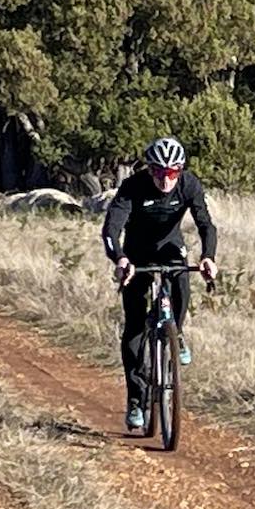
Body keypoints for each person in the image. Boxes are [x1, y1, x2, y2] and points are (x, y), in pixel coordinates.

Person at [101, 135, 217, 434]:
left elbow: (205, 223)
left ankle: (175, 332)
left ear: (180, 171)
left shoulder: (189, 184)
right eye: (159, 173)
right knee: (136, 328)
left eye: (172, 173)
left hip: (169, 245)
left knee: (181, 281)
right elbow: (111, 228)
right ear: (149, 169)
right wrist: (120, 258)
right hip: (136, 251)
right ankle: (137, 401)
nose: (165, 180)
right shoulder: (132, 187)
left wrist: (208, 257)